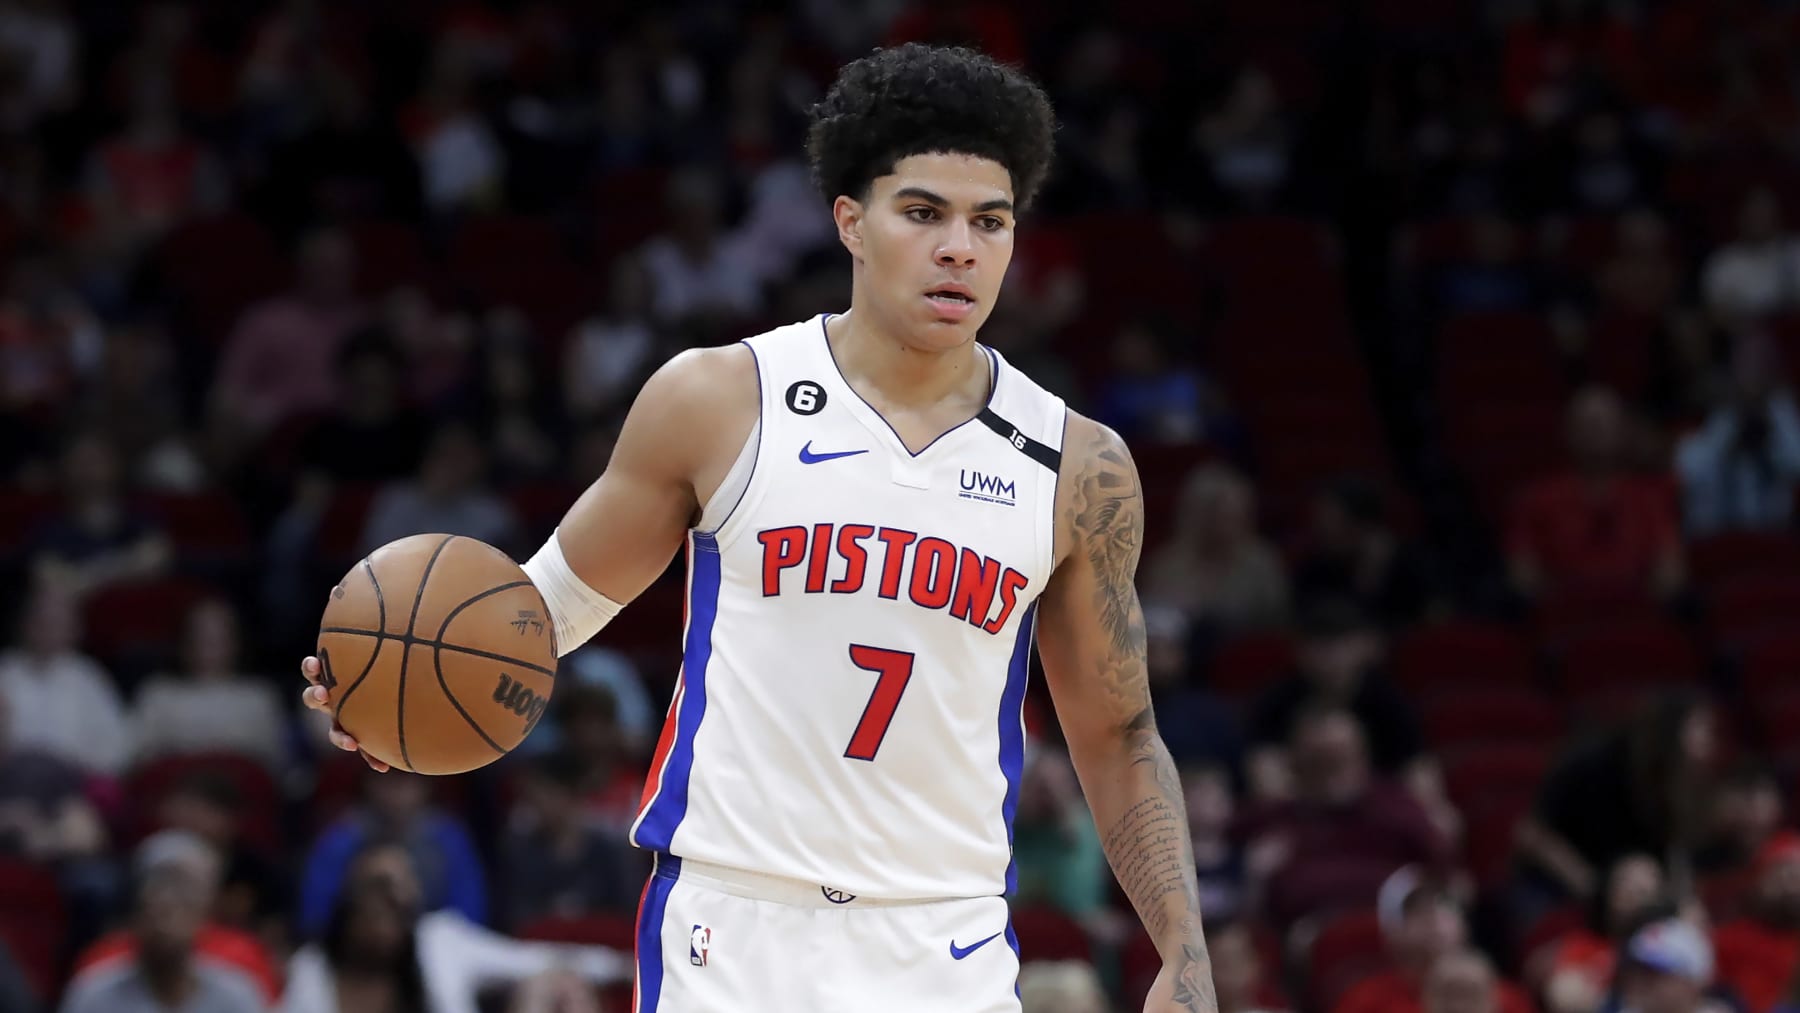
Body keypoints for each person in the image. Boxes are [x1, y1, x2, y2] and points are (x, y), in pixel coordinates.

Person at [302, 42, 1217, 1012]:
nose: (961, 247)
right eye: (924, 213)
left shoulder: (1078, 465)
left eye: (990, 222)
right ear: (850, 222)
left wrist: (1183, 950)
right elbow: (545, 610)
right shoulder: (720, 398)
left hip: (941, 935)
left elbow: (1116, 731)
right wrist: (400, 693)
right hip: (734, 924)